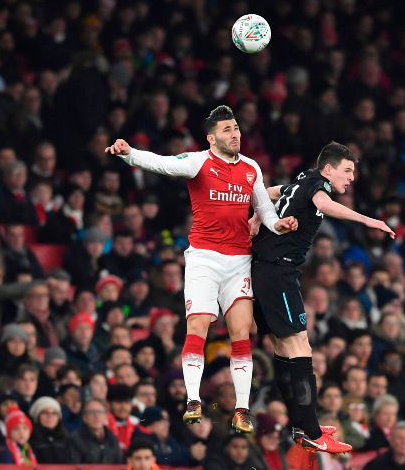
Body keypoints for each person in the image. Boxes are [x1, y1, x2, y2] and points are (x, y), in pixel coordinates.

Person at [105, 105, 298, 433]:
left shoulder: (251, 168)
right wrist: (129, 153)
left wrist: (281, 224)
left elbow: (264, 210)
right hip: (204, 259)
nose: (235, 133)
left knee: (241, 332)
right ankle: (193, 399)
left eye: (236, 128)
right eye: (227, 130)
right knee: (199, 326)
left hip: (239, 261)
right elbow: (162, 164)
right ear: (211, 138)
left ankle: (241, 409)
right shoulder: (199, 161)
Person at [252, 141, 395, 453]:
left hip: (269, 270)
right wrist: (368, 220)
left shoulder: (303, 179)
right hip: (278, 272)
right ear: (328, 169)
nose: (352, 177)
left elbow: (274, 191)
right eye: (347, 171)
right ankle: (310, 429)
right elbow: (325, 204)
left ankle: (301, 423)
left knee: (285, 346)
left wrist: (255, 209)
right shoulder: (318, 185)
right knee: (299, 345)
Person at [28, 396, 71, 463]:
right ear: (37, 417)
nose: (50, 416)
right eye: (45, 413)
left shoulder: (67, 438)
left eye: (54, 413)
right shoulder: (30, 438)